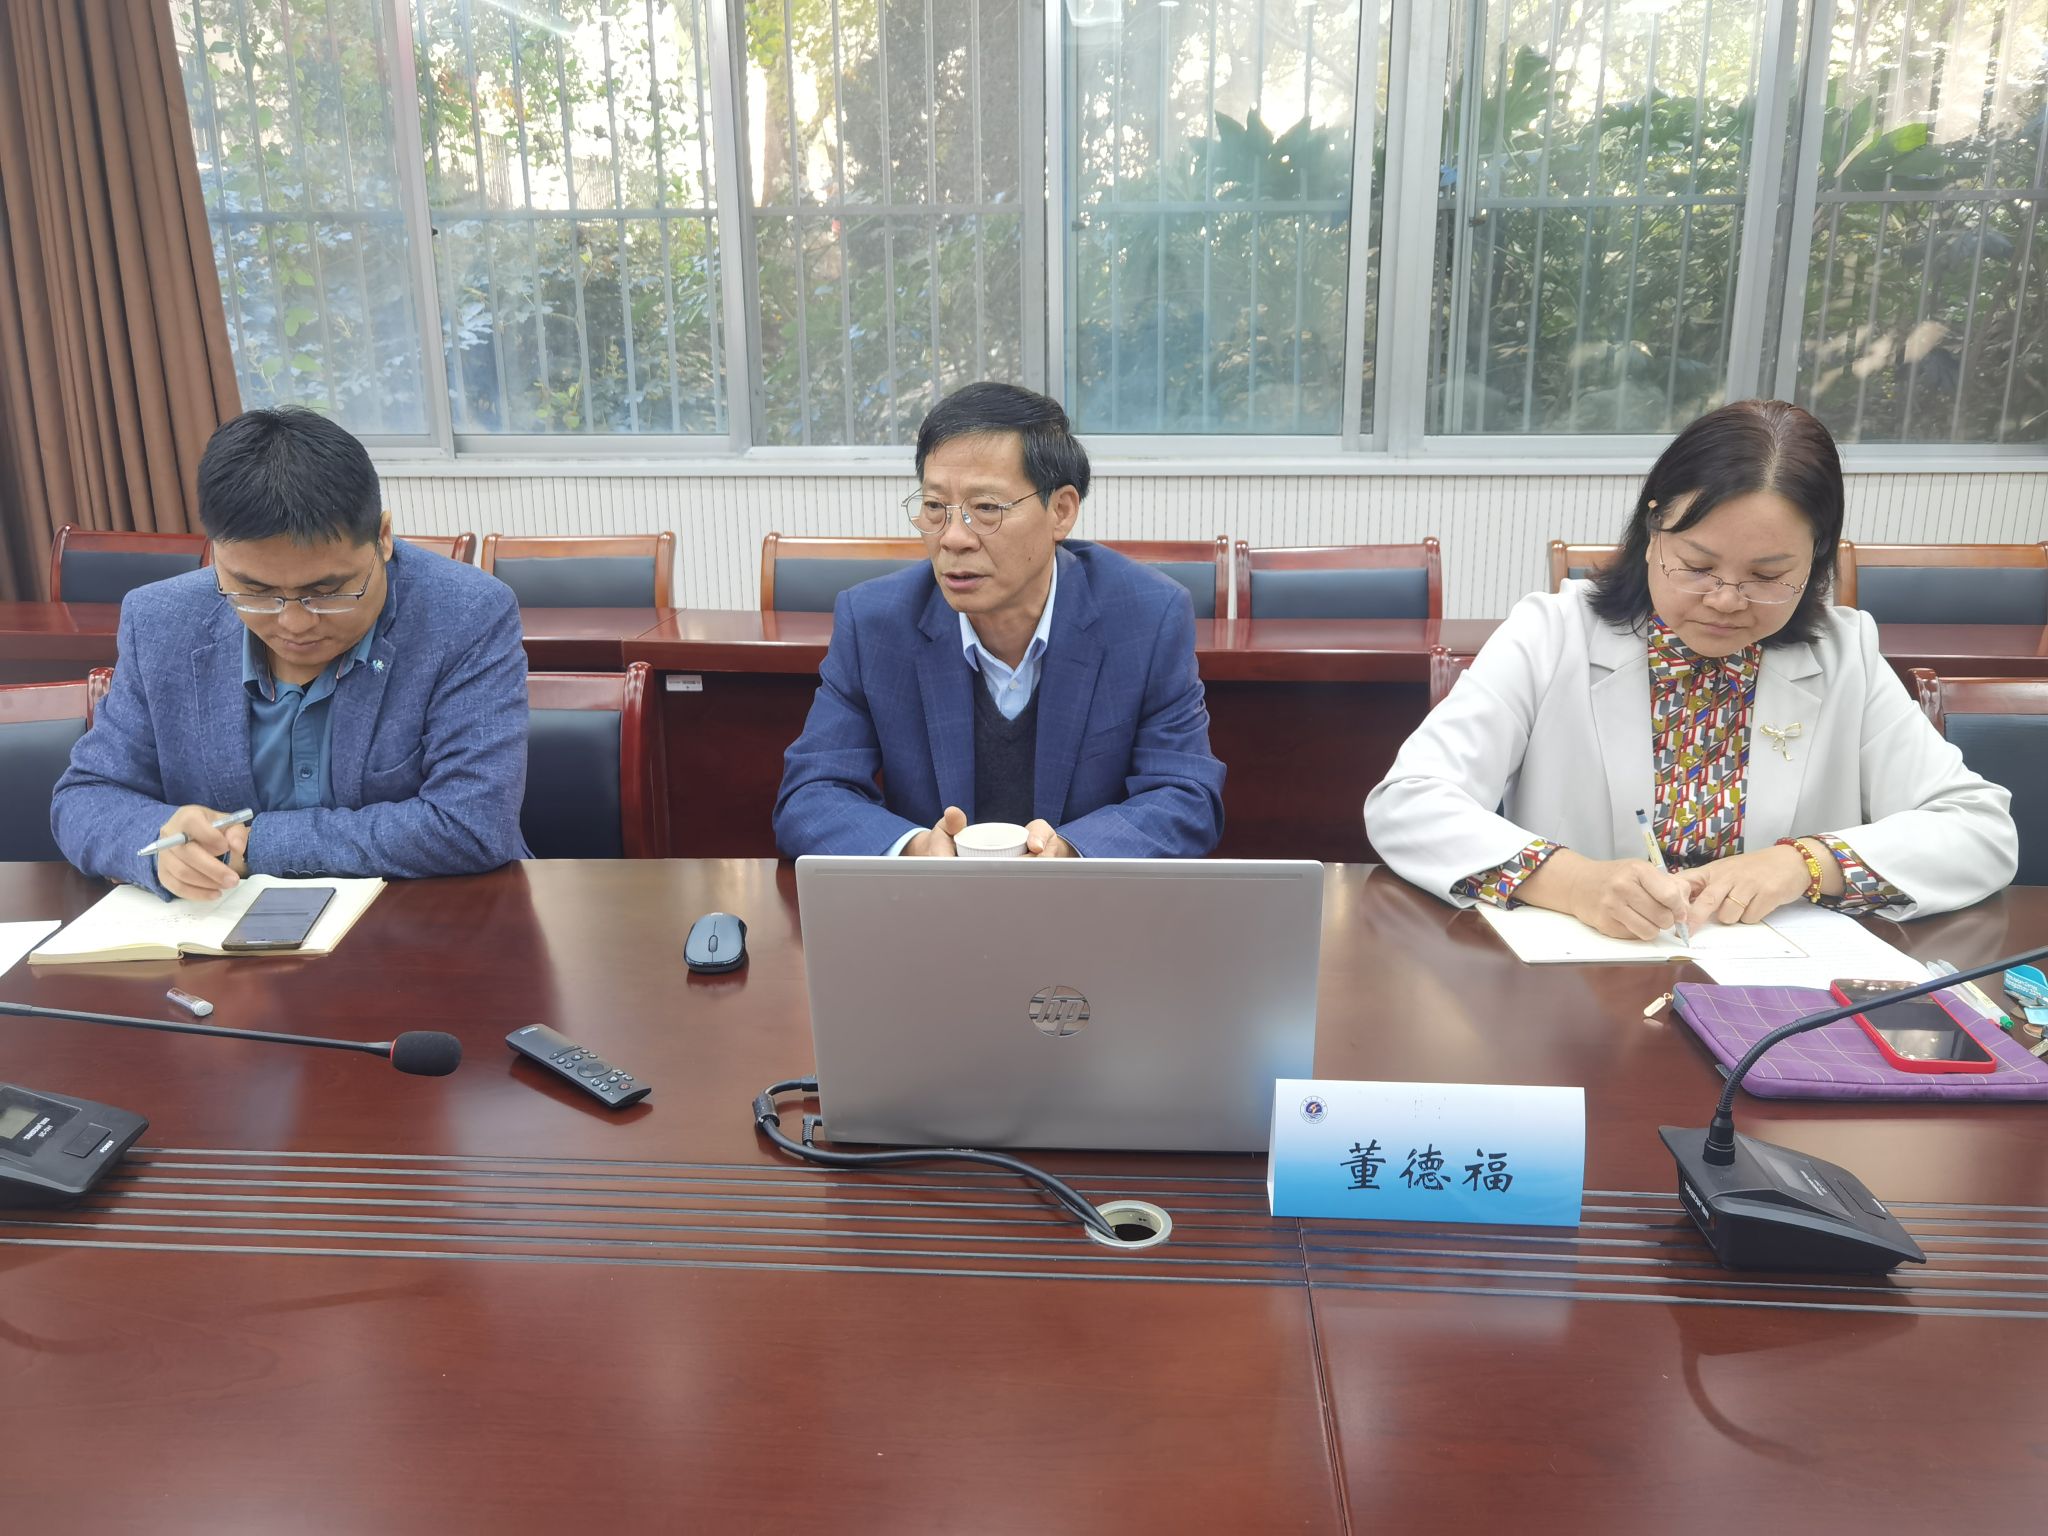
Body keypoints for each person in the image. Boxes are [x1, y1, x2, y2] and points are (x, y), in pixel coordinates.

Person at [1365, 399, 2017, 935]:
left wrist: (1805, 864)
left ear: (1815, 560)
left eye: (1768, 576)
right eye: (1698, 566)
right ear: (1653, 531)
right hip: (1578, 986)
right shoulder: (1551, 633)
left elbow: (1981, 832)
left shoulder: (1844, 655)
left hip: (1778, 996)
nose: (1726, 600)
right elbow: (1409, 803)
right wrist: (1575, 882)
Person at [53, 407, 531, 899]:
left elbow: (471, 822)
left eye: (328, 591)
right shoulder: (160, 622)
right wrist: (161, 845)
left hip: (427, 919)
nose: (294, 624)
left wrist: (254, 844)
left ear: (383, 538)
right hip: (220, 932)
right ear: (216, 553)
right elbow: (86, 797)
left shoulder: (465, 614)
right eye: (254, 591)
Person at [774, 381, 1226, 858]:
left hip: (1081, 901)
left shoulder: (1147, 617)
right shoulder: (874, 623)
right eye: (935, 508)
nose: (953, 538)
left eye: (986, 509)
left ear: (1061, 511)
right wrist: (915, 850)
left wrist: (1074, 850)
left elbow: (1186, 796)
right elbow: (810, 797)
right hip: (934, 900)